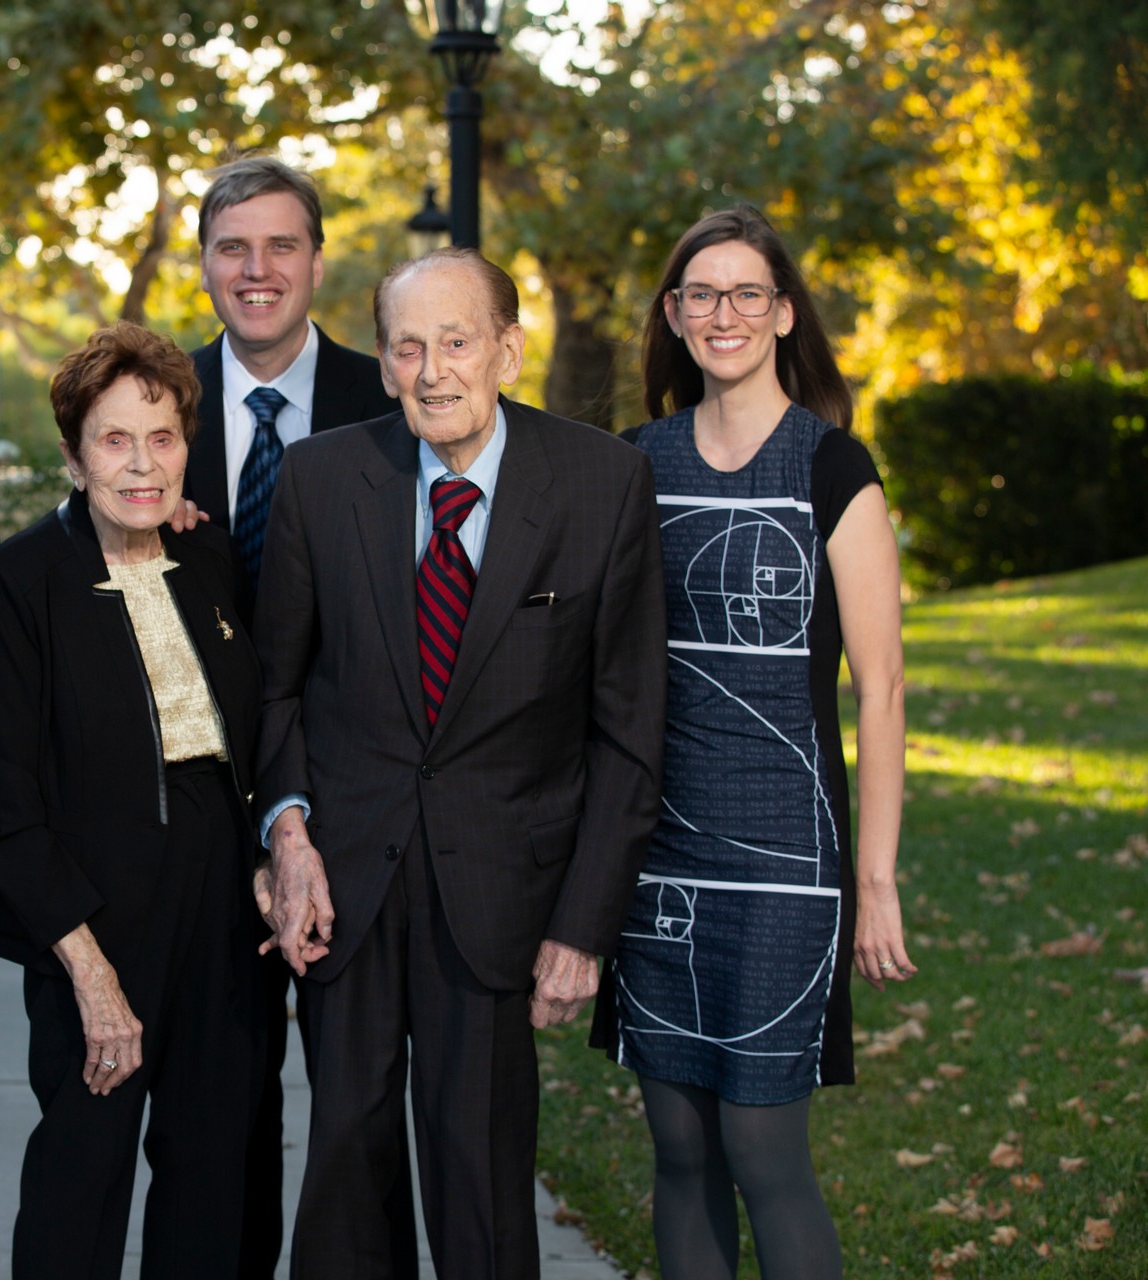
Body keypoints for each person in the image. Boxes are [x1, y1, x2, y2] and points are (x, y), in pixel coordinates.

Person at [254, 246, 667, 1276]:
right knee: (344, 1166)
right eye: (407, 347)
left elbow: (628, 731)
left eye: (456, 341)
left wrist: (581, 925)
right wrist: (287, 828)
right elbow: (278, 686)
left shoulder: (602, 483)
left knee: (480, 1183)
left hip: (500, 893)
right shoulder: (321, 476)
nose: (432, 369)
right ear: (386, 360)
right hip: (346, 884)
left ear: (507, 351)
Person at [589, 205, 914, 1280]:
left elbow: (883, 692)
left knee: (760, 1145)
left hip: (786, 864)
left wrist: (874, 881)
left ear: (781, 314)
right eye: (700, 294)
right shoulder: (634, 463)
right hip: (657, 859)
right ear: (675, 317)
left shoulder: (834, 471)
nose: (722, 312)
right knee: (678, 1149)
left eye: (746, 293)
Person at [0, 322, 264, 1279]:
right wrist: (91, 975)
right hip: (94, 920)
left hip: (220, 914)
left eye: (163, 437)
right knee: (79, 1182)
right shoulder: (19, 585)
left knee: (214, 1175)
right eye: (115, 440)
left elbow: (251, 739)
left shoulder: (209, 558)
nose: (143, 464)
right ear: (73, 454)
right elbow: (4, 806)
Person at [184, 154, 414, 1277]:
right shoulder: (155, 410)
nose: (258, 268)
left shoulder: (397, 399)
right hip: (201, 814)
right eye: (234, 246)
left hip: (361, 810)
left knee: (360, 1117)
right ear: (206, 264)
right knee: (217, 1123)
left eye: (281, 245)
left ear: (318, 261)